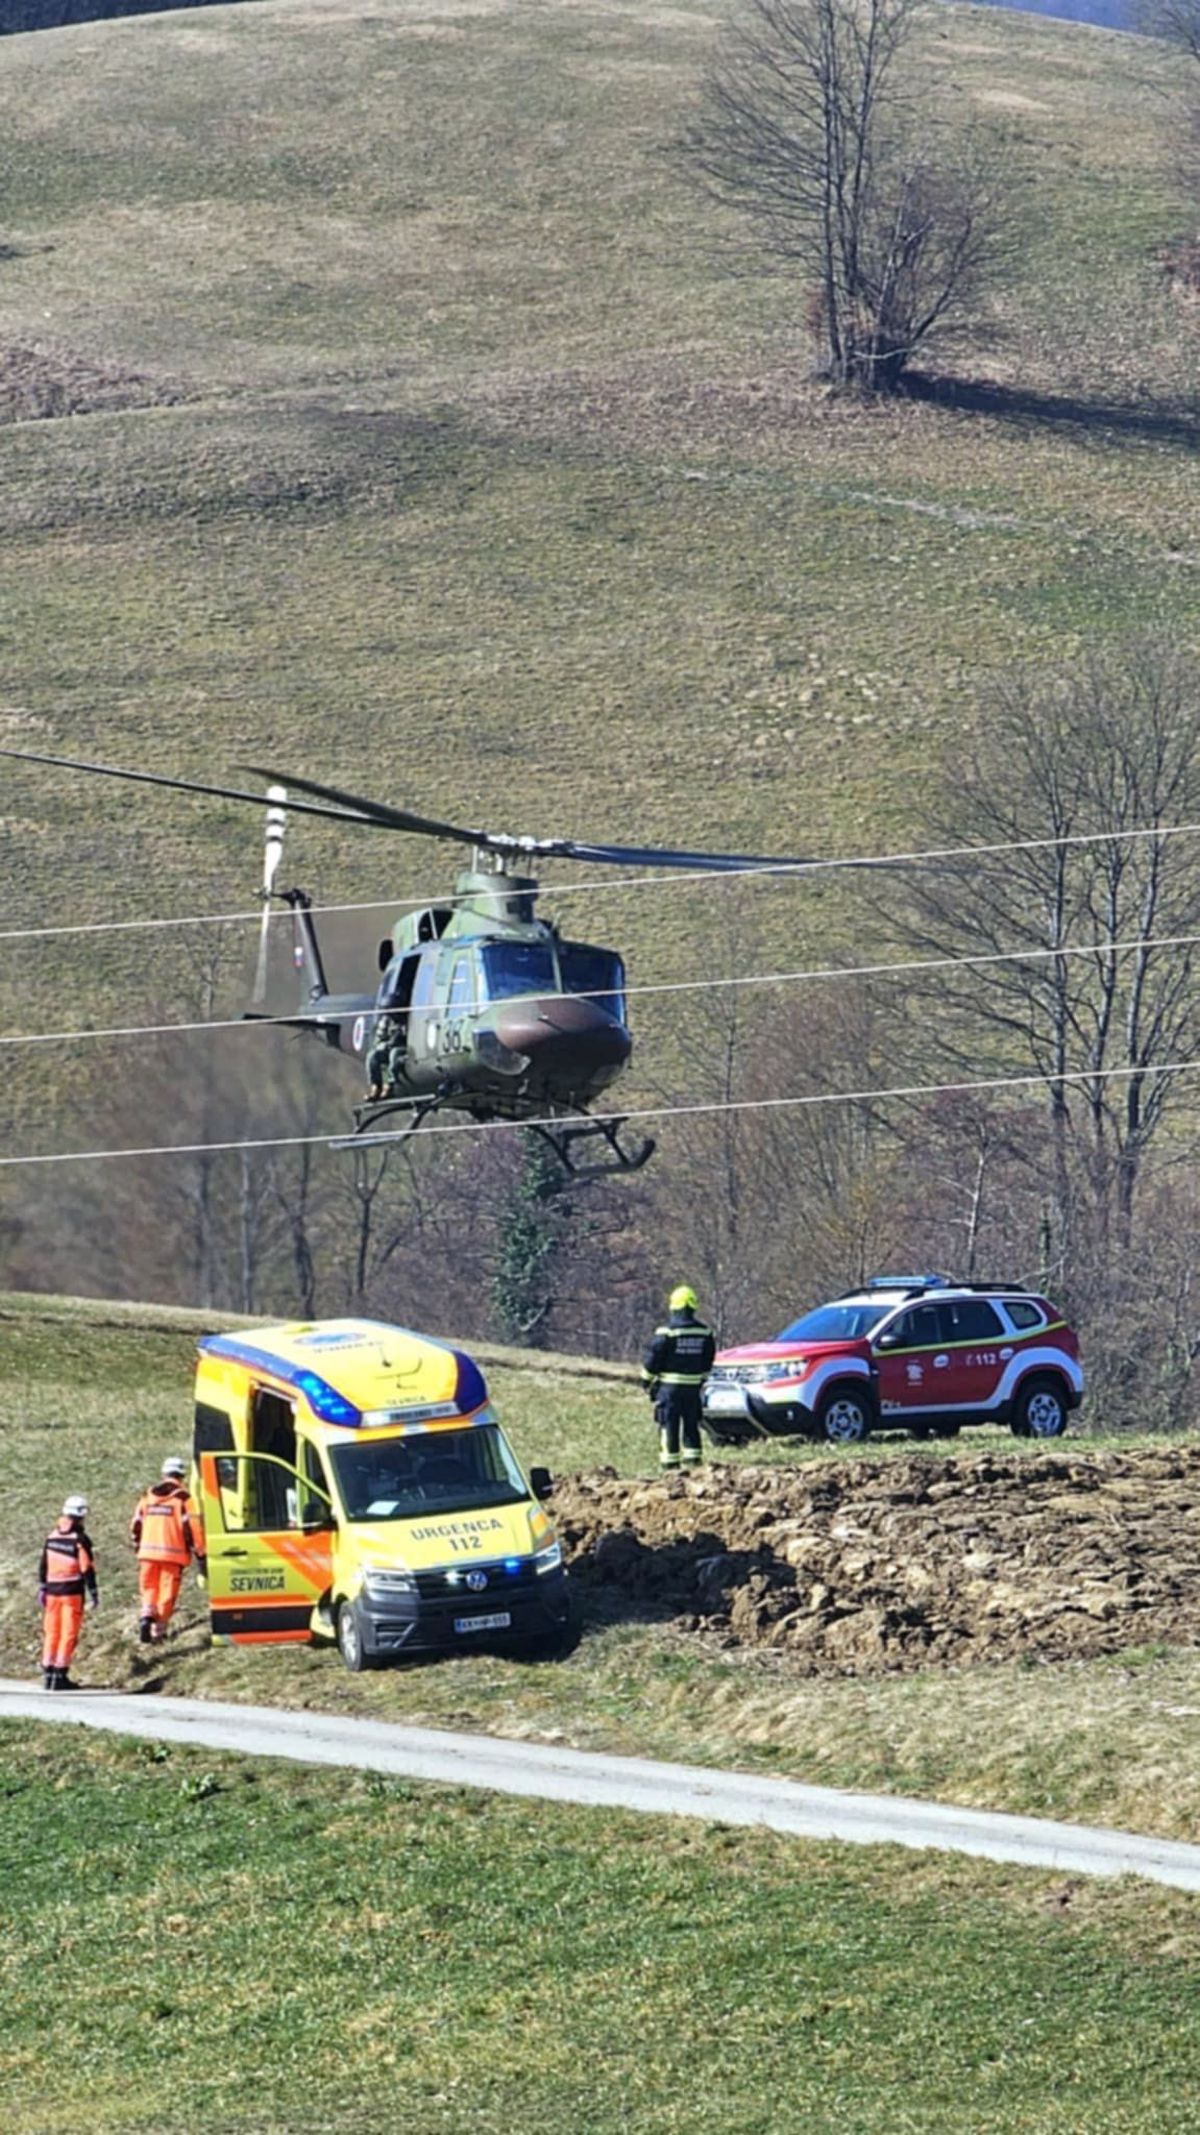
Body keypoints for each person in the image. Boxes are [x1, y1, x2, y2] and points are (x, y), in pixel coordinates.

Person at [641, 1285, 717, 1471]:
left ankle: (669, 1464)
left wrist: (646, 1380)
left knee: (668, 1424)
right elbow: (708, 1359)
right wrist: (701, 1379)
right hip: (693, 1389)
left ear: (673, 1306)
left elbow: (654, 1358)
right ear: (693, 1306)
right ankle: (693, 1461)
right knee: (692, 1424)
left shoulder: (666, 1333)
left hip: (669, 1389)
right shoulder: (704, 1333)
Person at [130, 1458, 205, 1644]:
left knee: (149, 1586)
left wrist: (138, 1544)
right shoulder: (184, 1499)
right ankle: (159, 1631)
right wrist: (201, 1551)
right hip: (173, 1555)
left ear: (164, 1474)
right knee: (167, 1592)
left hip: (147, 1553)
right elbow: (193, 1527)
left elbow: (136, 1524)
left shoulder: (148, 1496)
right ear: (182, 1476)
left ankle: (147, 1613)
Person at [38, 1494, 98, 1690]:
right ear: (81, 1516)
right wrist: (93, 1591)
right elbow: (86, 1568)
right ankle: (60, 1674)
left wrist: (43, 1587)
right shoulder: (80, 1539)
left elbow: (43, 1565)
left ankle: (48, 1672)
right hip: (72, 1592)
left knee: (51, 1632)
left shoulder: (52, 1536)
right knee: (68, 1632)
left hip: (52, 1592)